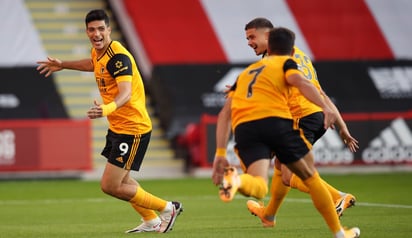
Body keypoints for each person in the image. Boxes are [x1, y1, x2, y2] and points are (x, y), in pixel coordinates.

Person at [36, 9, 182, 233]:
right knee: (123, 181)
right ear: (87, 32)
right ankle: (151, 220)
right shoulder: (99, 53)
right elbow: (93, 64)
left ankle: (168, 208)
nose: (97, 34)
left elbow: (125, 93)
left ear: (109, 30)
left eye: (101, 29)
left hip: (133, 129)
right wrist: (63, 64)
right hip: (118, 127)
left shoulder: (118, 57)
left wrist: (106, 108)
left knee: (110, 185)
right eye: (92, 30)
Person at [212, 17, 357, 219]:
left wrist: (242, 91)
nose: (249, 42)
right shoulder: (300, 56)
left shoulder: (277, 62)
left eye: (252, 37)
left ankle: (337, 197)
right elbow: (319, 91)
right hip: (315, 115)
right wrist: (342, 126)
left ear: (268, 36)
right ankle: (269, 214)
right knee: (281, 167)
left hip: (301, 116)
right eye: (247, 38)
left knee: (289, 174)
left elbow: (297, 88)